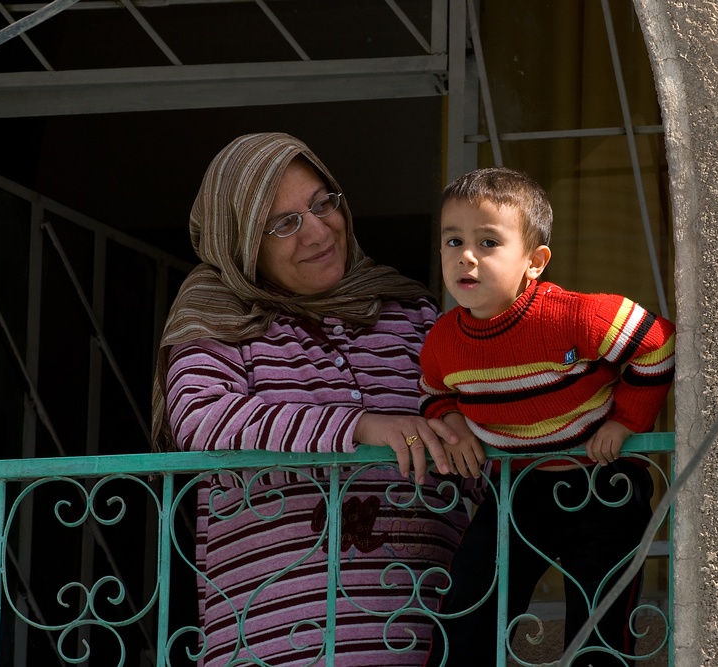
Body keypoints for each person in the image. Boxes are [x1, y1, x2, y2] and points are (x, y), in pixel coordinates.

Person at [150, 132, 481, 667]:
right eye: (283, 223)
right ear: (241, 243)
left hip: (427, 637)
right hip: (277, 647)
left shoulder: (414, 316)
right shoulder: (219, 322)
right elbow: (199, 415)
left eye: (322, 203)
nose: (318, 230)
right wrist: (360, 427)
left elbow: (480, 423)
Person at [418, 167, 676, 666]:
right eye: (453, 241)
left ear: (534, 262)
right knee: (467, 619)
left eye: (488, 241)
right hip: (517, 490)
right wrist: (451, 426)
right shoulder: (441, 342)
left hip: (604, 486)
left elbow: (658, 344)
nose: (465, 256)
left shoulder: (576, 315)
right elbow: (433, 395)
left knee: (597, 638)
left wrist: (626, 421)